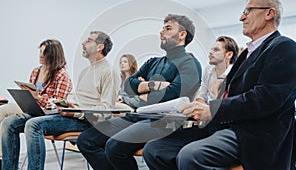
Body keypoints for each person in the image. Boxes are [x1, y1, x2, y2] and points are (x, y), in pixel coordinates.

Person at [143, 0, 296, 170]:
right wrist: (202, 110)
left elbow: (267, 98)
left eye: (247, 11)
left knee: (191, 156)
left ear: (269, 13)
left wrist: (213, 109)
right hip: (225, 125)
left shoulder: (285, 47)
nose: (242, 17)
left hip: (254, 133)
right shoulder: (247, 53)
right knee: (154, 149)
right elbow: (230, 94)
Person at [77, 14, 202, 170]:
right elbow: (127, 86)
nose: (161, 32)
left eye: (168, 28)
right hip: (138, 115)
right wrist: (152, 85)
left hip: (164, 121)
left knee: (114, 147)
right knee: (86, 140)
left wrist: (141, 90)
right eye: (162, 28)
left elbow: (173, 94)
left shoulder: (190, 64)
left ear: (182, 34)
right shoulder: (153, 62)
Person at [2, 31, 118, 170]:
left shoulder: (108, 72)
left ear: (99, 47)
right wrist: (63, 104)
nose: (83, 43)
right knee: (9, 123)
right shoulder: (85, 71)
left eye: (88, 40)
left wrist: (75, 112)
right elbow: (76, 98)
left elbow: (105, 111)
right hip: (68, 113)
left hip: (84, 121)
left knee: (33, 125)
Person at [0, 39, 73, 167]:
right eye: (40, 52)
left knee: (25, 122)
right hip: (34, 111)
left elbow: (58, 106)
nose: (40, 55)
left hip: (49, 115)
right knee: (7, 122)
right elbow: (33, 97)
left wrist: (38, 98)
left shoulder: (62, 76)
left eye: (44, 53)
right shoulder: (36, 71)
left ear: (53, 55)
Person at [195, 36, 239, 102]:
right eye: (211, 49)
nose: (210, 52)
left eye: (216, 50)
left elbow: (229, 105)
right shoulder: (208, 69)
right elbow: (201, 96)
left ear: (229, 55)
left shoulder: (235, 74)